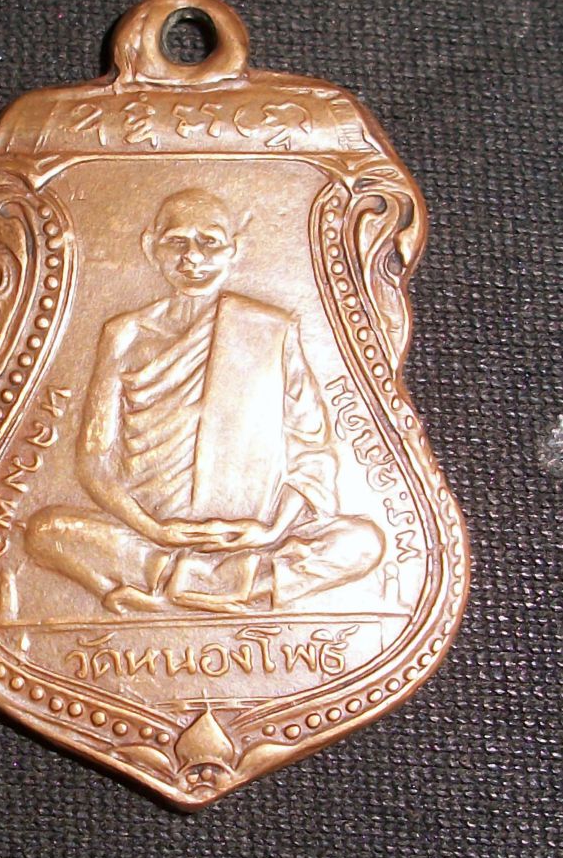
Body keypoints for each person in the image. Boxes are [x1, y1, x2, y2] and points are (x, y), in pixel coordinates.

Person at [25, 188, 383, 613]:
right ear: (151, 247)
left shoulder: (270, 328)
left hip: (251, 538)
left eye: (209, 242)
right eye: (176, 242)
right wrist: (154, 529)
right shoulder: (124, 334)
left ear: (235, 249)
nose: (192, 257)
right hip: (151, 533)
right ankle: (227, 585)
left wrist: (272, 531)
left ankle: (175, 585)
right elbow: (94, 460)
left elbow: (311, 451)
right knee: (46, 531)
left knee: (363, 542)